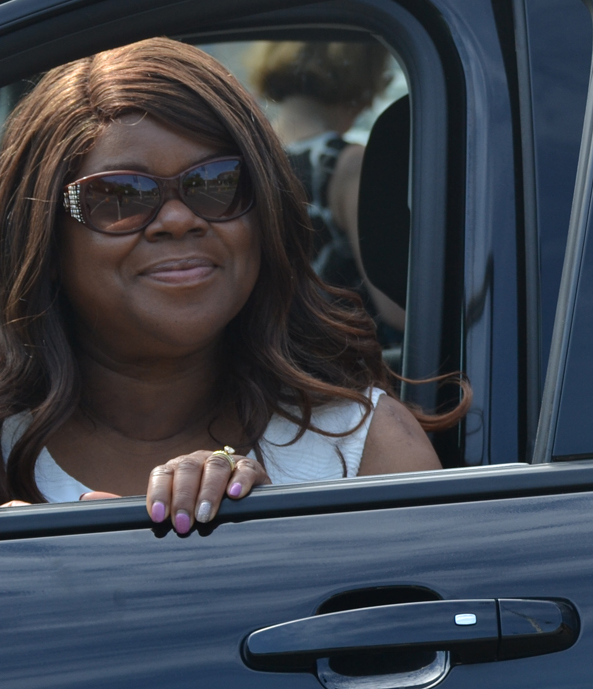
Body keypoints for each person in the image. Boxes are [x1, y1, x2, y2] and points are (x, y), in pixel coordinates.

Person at [0, 38, 463, 532]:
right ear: (44, 241)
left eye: (216, 183)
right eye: (119, 196)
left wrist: (263, 541)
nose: (178, 219)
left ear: (264, 216)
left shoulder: (364, 444)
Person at [247, 39, 403, 340]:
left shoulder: (247, 159)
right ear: (364, 79)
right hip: (338, 364)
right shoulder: (347, 165)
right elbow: (397, 309)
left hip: (265, 360)